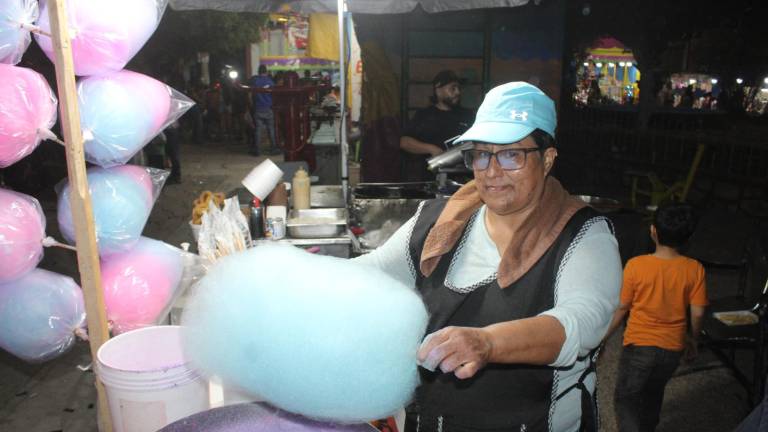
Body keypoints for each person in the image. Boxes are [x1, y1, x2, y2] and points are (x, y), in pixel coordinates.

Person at [356, 82, 622, 431]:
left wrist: (489, 342)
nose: (491, 171)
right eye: (480, 153)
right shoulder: (437, 221)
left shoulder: (584, 235)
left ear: (547, 159)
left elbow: (580, 324)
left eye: (511, 154)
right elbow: (370, 273)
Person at [606, 203, 707, 432]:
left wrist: (602, 339)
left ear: (653, 231)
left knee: (626, 397)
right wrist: (693, 339)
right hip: (672, 347)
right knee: (654, 392)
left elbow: (622, 308)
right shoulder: (695, 269)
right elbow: (698, 311)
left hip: (639, 345)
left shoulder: (636, 266)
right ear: (688, 237)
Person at [400, 70, 474, 181]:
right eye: (452, 88)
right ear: (438, 90)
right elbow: (405, 142)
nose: (458, 92)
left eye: (459, 88)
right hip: (432, 180)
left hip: (465, 179)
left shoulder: (468, 115)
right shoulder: (424, 115)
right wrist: (431, 149)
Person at [247, 65, 279, 156]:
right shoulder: (270, 81)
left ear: (258, 71)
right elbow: (274, 94)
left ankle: (257, 150)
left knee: (258, 130)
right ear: (266, 71)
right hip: (268, 108)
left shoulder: (255, 81)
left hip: (258, 108)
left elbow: (250, 92)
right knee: (271, 129)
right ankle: (273, 148)